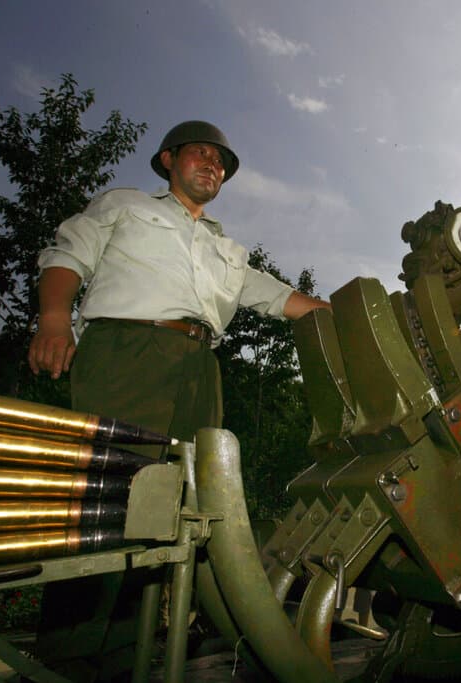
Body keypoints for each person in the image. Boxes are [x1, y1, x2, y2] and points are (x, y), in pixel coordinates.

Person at [26, 120, 330, 680]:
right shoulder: (126, 205)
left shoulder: (227, 251)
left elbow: (283, 298)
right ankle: (66, 657)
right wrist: (53, 317)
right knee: (109, 497)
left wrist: (358, 311)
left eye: (221, 161)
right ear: (169, 160)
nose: (212, 165)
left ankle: (134, 650)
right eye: (201, 154)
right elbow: (69, 253)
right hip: (128, 350)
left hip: (200, 368)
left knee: (180, 512)